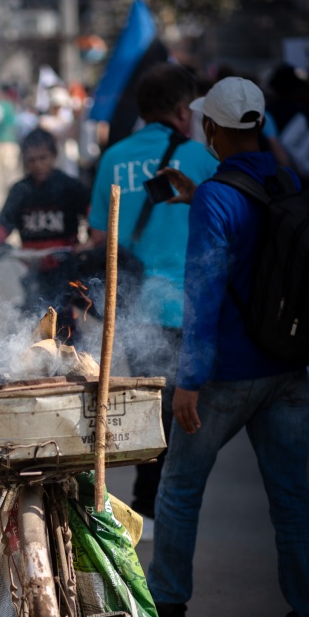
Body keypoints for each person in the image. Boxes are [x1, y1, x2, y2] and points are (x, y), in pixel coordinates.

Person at [147, 77, 309, 617]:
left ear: (211, 130)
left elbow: (204, 295)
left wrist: (190, 381)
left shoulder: (216, 200)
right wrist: (197, 195)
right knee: (292, 501)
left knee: (178, 488)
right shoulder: (285, 180)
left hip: (226, 376)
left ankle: (168, 612)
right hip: (288, 368)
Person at [89, 64, 219, 540]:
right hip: (192, 305)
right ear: (183, 110)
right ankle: (168, 498)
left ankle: (147, 496)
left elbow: (100, 236)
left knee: (151, 403)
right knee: (187, 408)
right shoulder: (201, 159)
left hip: (135, 307)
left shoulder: (115, 156)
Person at [0, 126, 91, 319]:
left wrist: (89, 243)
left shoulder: (70, 187)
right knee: (31, 314)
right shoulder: (20, 190)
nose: (37, 165)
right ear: (24, 161)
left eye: (43, 158)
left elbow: (93, 218)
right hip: (33, 267)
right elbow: (3, 224)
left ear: (54, 156)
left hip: (64, 266)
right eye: (31, 160)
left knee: (63, 315)